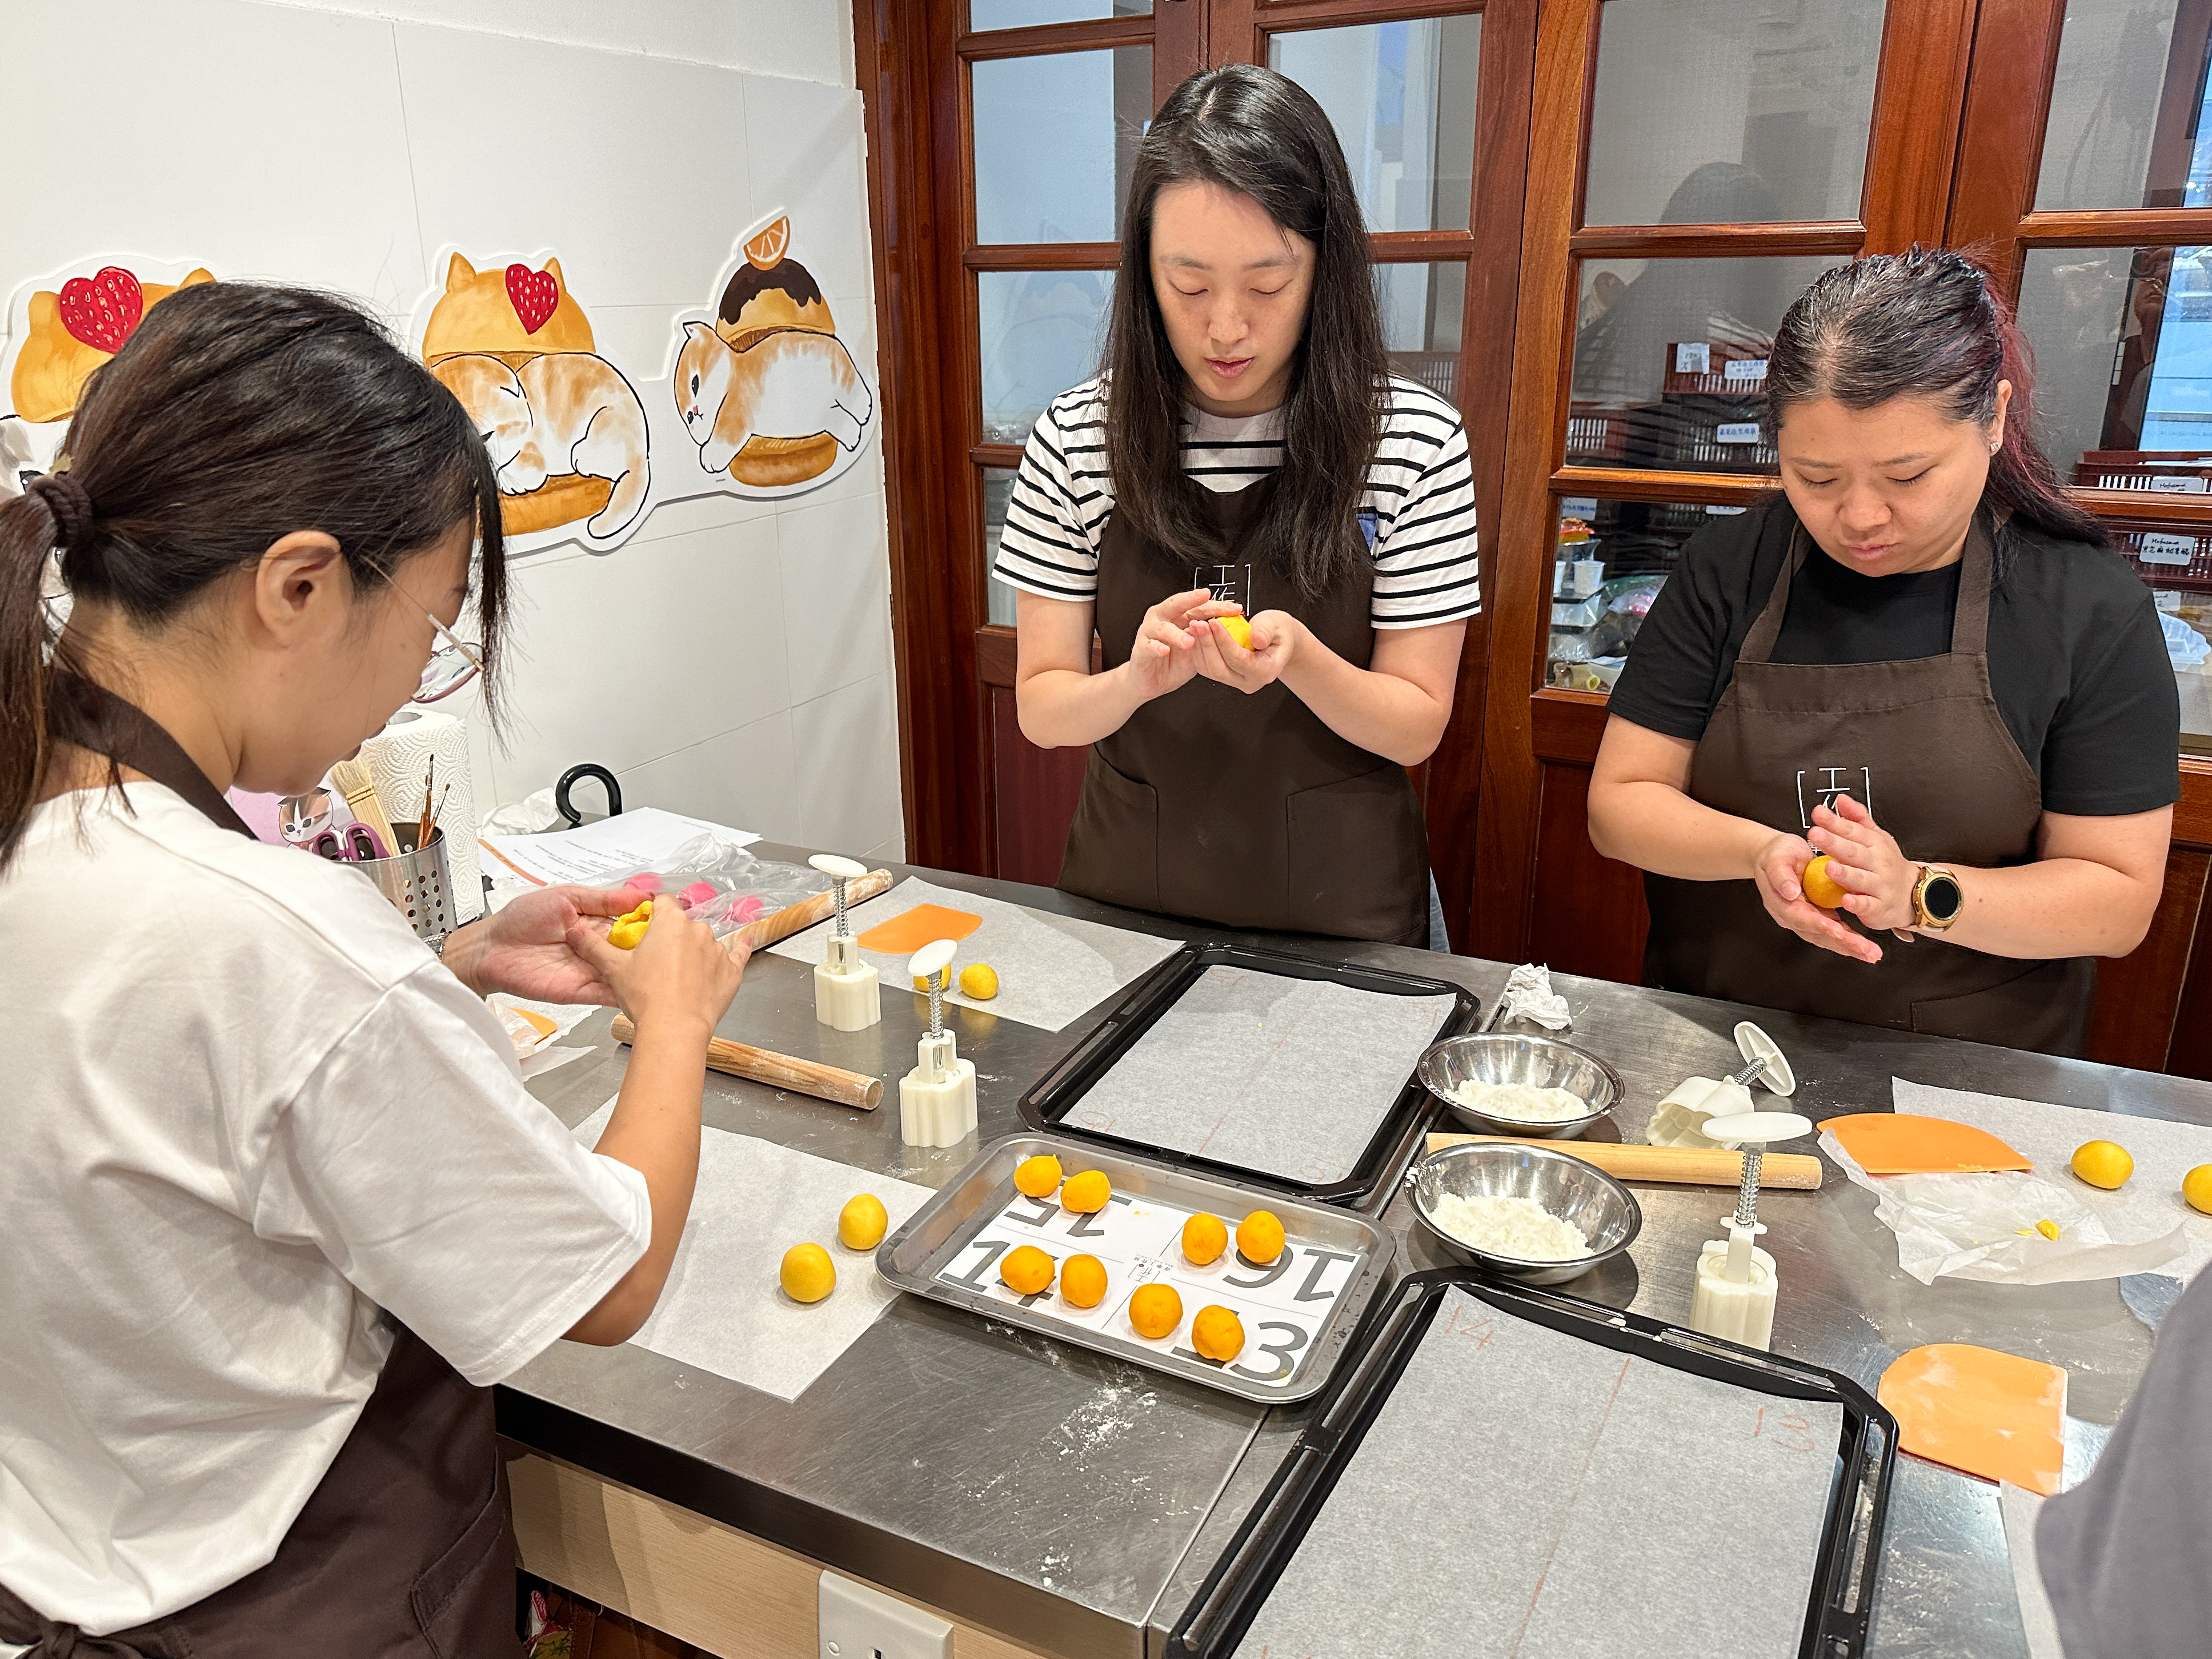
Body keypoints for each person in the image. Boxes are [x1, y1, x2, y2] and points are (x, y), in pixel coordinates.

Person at [0, 284, 747, 1654]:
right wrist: (678, 1023)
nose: (418, 675)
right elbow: (607, 1284)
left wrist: (443, 963)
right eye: (433, 618)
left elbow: (173, 1095)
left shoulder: (33, 818)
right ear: (297, 585)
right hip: (298, 1606)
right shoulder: (272, 936)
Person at [1588, 247, 2178, 1055]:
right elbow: (1622, 801)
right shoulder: (1731, 571)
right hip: (1721, 1045)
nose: (1861, 517)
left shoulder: (2086, 606)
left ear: (1996, 418)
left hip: (1970, 1074)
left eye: (1908, 476)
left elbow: (2115, 899)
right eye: (1817, 477)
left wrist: (1918, 894)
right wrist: (1763, 851)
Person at [994, 64, 1480, 947]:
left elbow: (1416, 723)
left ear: (1326, 267)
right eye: (1188, 286)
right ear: (1145, 273)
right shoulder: (1077, 438)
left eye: (1267, 286)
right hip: (1130, 908)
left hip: (1345, 916)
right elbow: (1044, 704)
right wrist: (1135, 679)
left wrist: (1299, 658)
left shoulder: (1410, 439)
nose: (1225, 329)